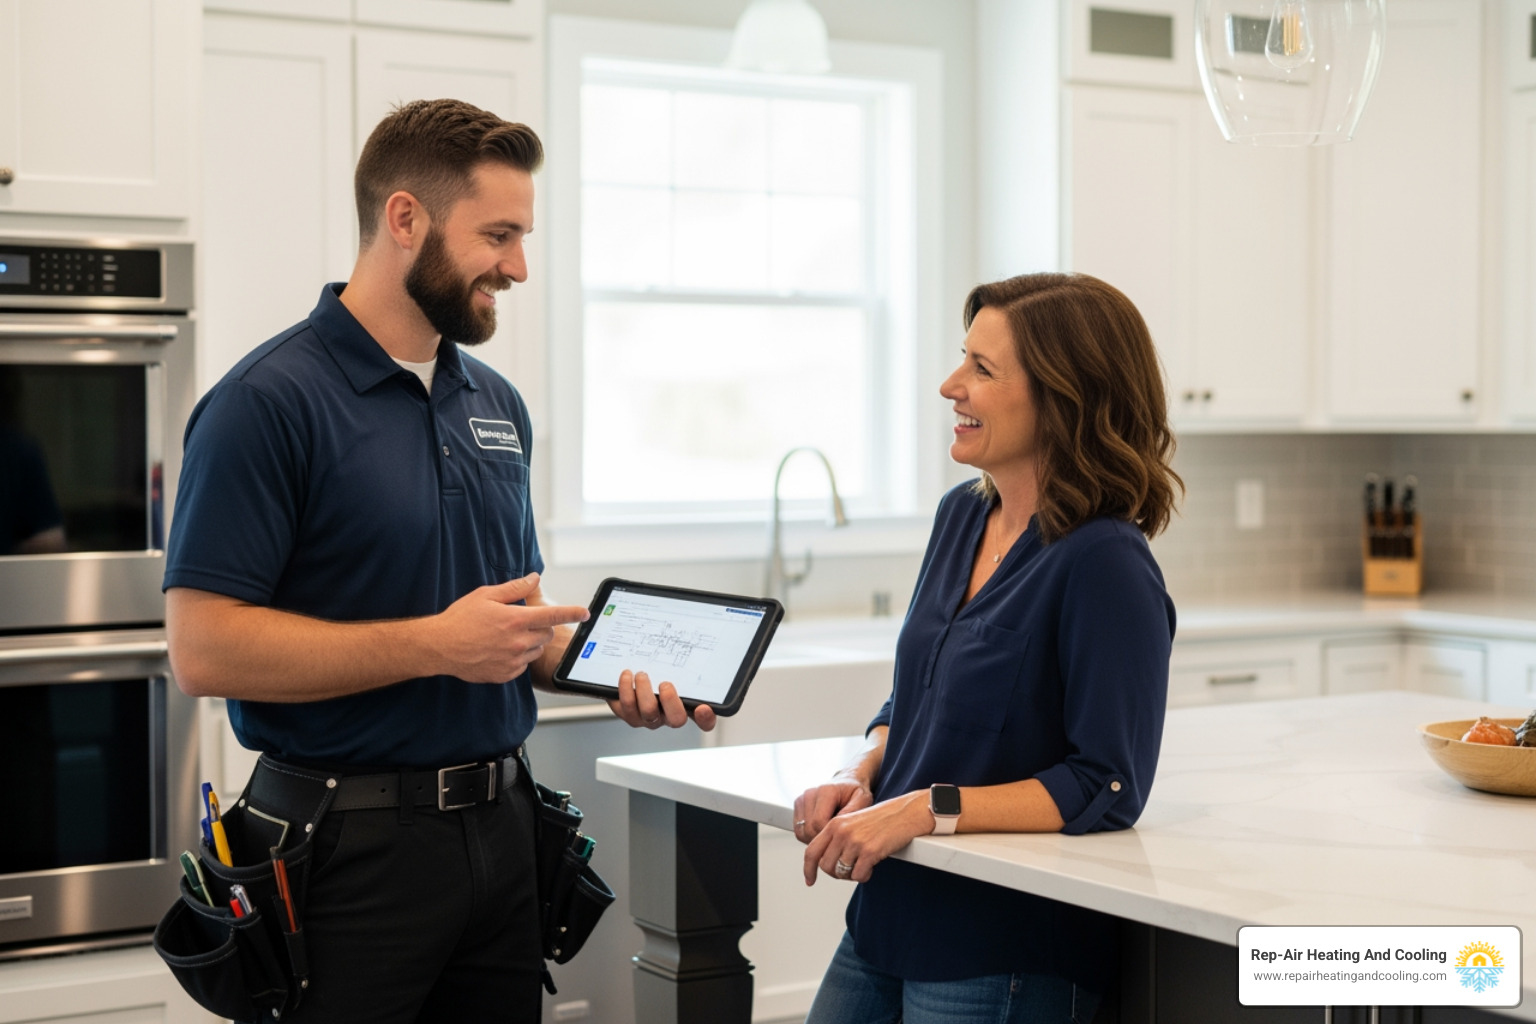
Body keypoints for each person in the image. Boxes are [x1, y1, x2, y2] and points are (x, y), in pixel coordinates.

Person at [163, 99, 712, 1024]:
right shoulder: (265, 404)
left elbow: (506, 629)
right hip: (345, 850)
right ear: (405, 217)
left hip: (503, 833)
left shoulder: (493, 402)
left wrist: (608, 670)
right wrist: (437, 645)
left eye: (524, 236)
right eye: (497, 234)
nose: (519, 266)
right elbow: (204, 651)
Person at [793, 272, 1182, 1024]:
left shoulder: (1104, 560)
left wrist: (920, 811)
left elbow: (1106, 785)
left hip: (1003, 947)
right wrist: (862, 769)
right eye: (961, 358)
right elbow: (919, 696)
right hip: (891, 913)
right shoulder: (961, 517)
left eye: (982, 369)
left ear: (1064, 398)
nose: (950, 385)